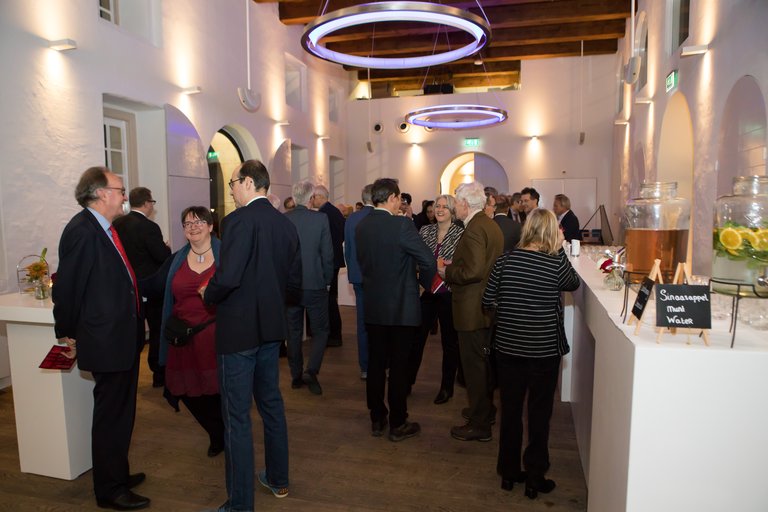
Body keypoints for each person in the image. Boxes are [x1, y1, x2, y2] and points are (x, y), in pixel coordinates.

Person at [200, 160, 302, 511]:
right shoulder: (285, 225)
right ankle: (278, 479)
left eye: (232, 183)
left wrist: (206, 294)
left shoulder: (238, 221)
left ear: (247, 182)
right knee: (271, 403)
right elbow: (293, 283)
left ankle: (240, 504)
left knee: (237, 417)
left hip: (239, 332)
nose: (229, 190)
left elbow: (228, 278)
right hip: (271, 329)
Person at [52, 166, 149, 510]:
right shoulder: (81, 230)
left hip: (121, 337)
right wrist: (65, 332)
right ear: (100, 193)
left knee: (122, 414)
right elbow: (67, 288)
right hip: (106, 340)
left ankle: (117, 473)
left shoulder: (105, 227)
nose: (125, 195)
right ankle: (110, 489)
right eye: (120, 189)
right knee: (111, 416)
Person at [482, 208, 580, 499]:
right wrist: (560, 249)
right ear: (552, 232)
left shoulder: (505, 260)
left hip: (509, 348)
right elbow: (572, 284)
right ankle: (536, 476)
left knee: (510, 412)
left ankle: (509, 473)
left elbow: (488, 300)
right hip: (543, 350)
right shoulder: (554, 263)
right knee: (539, 414)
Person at [356, 178, 436, 442]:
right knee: (399, 366)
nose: (400, 203)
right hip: (402, 306)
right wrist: (423, 284)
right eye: (399, 198)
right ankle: (398, 422)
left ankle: (377, 417)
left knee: (377, 363)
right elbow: (427, 259)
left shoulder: (362, 225)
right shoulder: (402, 225)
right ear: (391, 197)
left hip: (374, 305)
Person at [144, 206, 225, 458]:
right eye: (187, 223)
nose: (193, 227)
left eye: (200, 222)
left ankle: (225, 432)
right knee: (186, 391)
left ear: (211, 226)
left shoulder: (227, 255)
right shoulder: (176, 259)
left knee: (217, 391)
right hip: (183, 340)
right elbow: (155, 284)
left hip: (215, 338)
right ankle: (216, 430)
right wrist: (125, 283)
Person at [442, 181, 503, 442]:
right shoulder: (489, 224)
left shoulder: (476, 228)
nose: (455, 206)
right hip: (484, 305)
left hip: (472, 307)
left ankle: (480, 423)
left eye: (456, 201)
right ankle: (484, 410)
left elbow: (474, 271)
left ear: (465, 204)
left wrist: (448, 271)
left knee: (474, 366)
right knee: (482, 363)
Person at [113, 186, 171, 388]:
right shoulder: (149, 227)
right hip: (151, 287)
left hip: (127, 286)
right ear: (147, 203)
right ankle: (158, 374)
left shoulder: (117, 224)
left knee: (132, 332)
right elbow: (161, 257)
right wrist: (167, 248)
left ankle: (128, 372)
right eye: (152, 203)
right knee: (157, 330)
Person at [409, 194, 464, 405]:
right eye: (437, 206)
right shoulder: (425, 231)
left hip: (448, 293)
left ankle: (446, 387)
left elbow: (462, 264)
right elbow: (416, 259)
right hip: (428, 293)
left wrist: (449, 266)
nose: (439, 210)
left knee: (449, 343)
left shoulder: (461, 234)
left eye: (444, 207)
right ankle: (407, 381)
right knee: (416, 339)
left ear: (452, 211)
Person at [285, 179, 334, 395]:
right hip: (315, 284)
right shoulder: (320, 219)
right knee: (321, 330)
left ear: (295, 198)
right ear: (311, 198)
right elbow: (327, 254)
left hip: (290, 286)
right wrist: (327, 279)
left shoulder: (283, 220)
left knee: (293, 332)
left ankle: (296, 375)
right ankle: (311, 370)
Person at [344, 184, 374, 380]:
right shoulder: (379, 218)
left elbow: (347, 250)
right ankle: (379, 364)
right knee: (379, 322)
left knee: (362, 323)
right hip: (376, 278)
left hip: (357, 276)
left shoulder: (352, 218)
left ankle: (364, 366)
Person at [311, 184, 345, 346]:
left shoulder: (324, 213)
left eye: (314, 197)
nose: (312, 200)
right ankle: (334, 335)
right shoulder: (335, 211)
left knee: (328, 300)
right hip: (334, 260)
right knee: (331, 299)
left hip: (328, 262)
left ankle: (333, 335)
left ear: (320, 197)